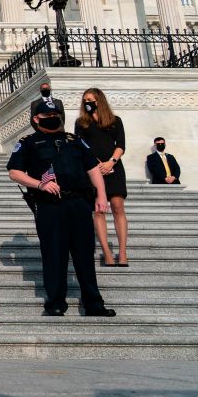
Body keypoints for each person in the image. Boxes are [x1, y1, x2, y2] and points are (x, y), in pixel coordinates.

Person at [7, 102, 116, 317]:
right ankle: (56, 302)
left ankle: (94, 303)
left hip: (78, 202)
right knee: (54, 254)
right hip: (50, 205)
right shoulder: (28, 142)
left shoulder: (75, 140)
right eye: (47, 114)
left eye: (55, 114)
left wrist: (102, 195)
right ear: (36, 119)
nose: (53, 117)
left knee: (85, 254)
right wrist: (40, 184)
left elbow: (92, 168)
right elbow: (14, 172)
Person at [74, 88, 129, 268]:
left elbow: (121, 145)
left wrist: (111, 162)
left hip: (114, 167)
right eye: (85, 100)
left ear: (99, 100)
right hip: (93, 169)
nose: (87, 103)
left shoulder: (115, 121)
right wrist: (96, 164)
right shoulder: (81, 123)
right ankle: (106, 253)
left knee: (118, 206)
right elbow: (80, 145)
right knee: (99, 209)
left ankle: (122, 252)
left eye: (90, 99)